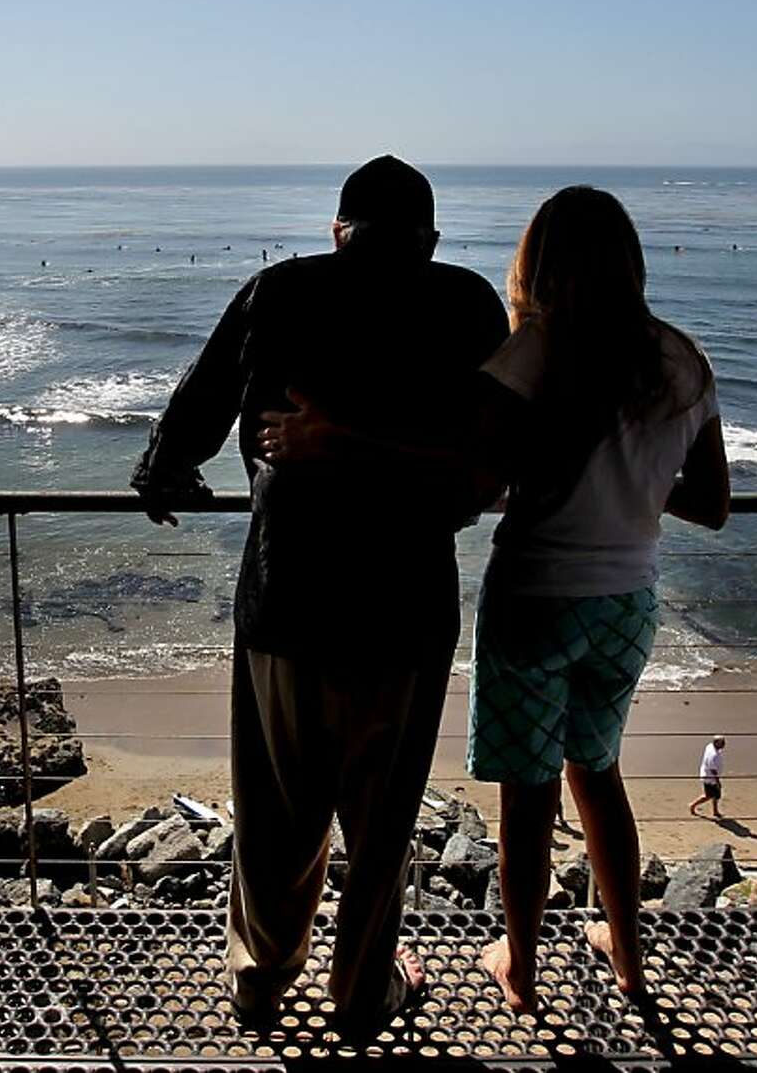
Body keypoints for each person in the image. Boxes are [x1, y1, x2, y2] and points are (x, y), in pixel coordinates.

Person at [259, 185, 730, 1015]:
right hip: (627, 602)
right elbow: (712, 501)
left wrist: (336, 440)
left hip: (537, 596)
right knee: (600, 776)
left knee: (528, 795)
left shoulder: (536, 350)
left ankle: (521, 967)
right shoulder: (681, 357)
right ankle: (628, 960)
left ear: (538, 262)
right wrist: (632, 483)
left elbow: (466, 476)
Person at [132, 155, 508, 1040]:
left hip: (286, 598)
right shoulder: (467, 304)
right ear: (431, 239)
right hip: (405, 610)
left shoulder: (280, 291)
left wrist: (163, 467)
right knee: (382, 824)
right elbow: (490, 464)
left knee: (275, 810)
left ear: (337, 231)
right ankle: (362, 991)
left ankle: (260, 978)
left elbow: (200, 401)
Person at [689, 736, 726, 818]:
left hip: (708, 775)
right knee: (708, 796)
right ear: (716, 743)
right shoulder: (713, 755)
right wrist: (717, 781)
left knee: (716, 795)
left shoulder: (710, 746)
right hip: (710, 778)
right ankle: (693, 805)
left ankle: (715, 811)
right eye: (721, 743)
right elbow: (713, 769)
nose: (724, 744)